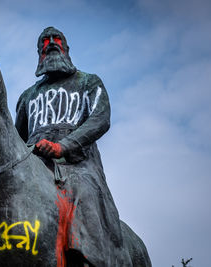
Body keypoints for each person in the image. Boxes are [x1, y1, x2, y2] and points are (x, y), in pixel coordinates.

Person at [15, 27, 130, 266]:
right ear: (39, 54)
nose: (50, 43)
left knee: (83, 191)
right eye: (45, 42)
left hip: (78, 166)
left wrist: (62, 146)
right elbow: (16, 138)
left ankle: (90, 258)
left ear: (66, 49)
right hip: (35, 164)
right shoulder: (27, 96)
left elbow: (100, 118)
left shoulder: (88, 81)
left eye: (56, 40)